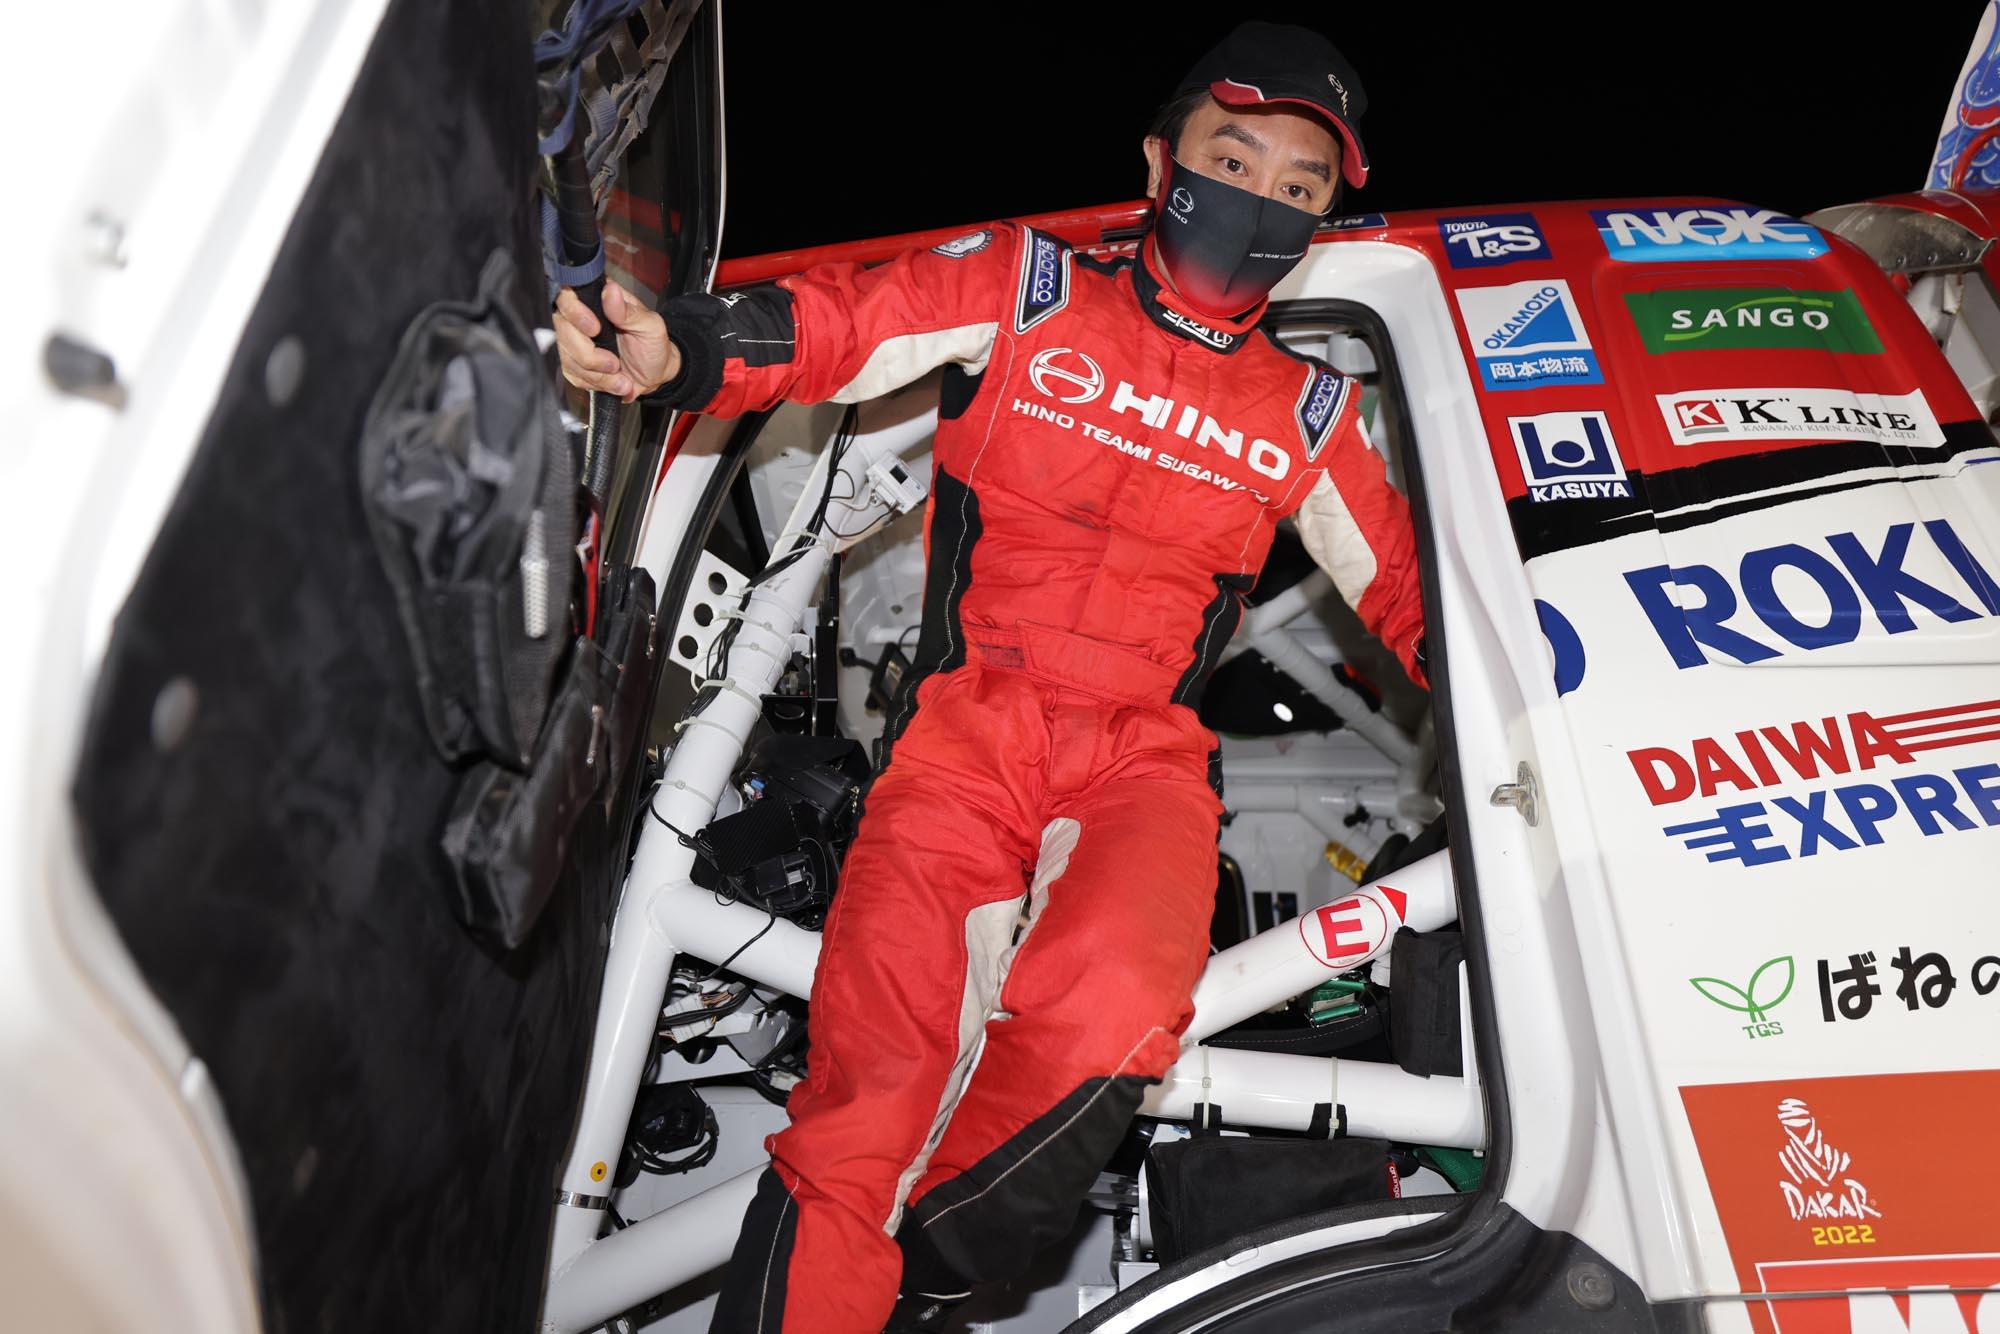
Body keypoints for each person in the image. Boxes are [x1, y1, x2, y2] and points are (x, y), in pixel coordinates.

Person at [555, 21, 1426, 1333]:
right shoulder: (1029, 288)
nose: (1264, 198)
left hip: (1142, 758)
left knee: (1114, 1005)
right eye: (1235, 159)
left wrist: (1552, 687)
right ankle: (856, 1261)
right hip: (968, 733)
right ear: (1160, 164)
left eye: (1300, 186)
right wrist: (682, 347)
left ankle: (939, 1271)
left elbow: (1419, 598)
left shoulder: (1310, 414)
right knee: (868, 1097)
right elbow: (845, 323)